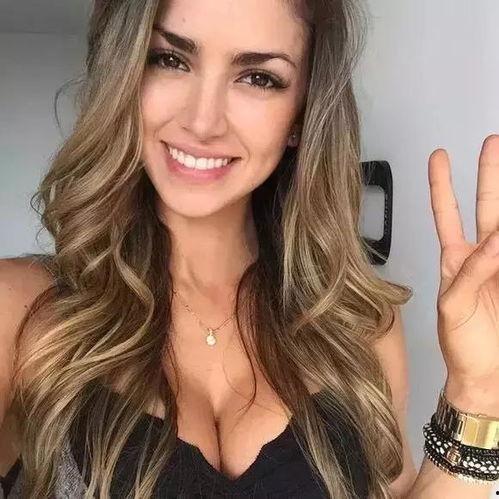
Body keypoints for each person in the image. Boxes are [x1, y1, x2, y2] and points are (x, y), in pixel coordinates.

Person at [0, 0, 498, 497]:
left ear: (301, 113)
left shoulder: (358, 326)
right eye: (170, 59)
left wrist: (477, 394)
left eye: (258, 77)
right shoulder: (20, 313)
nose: (203, 121)